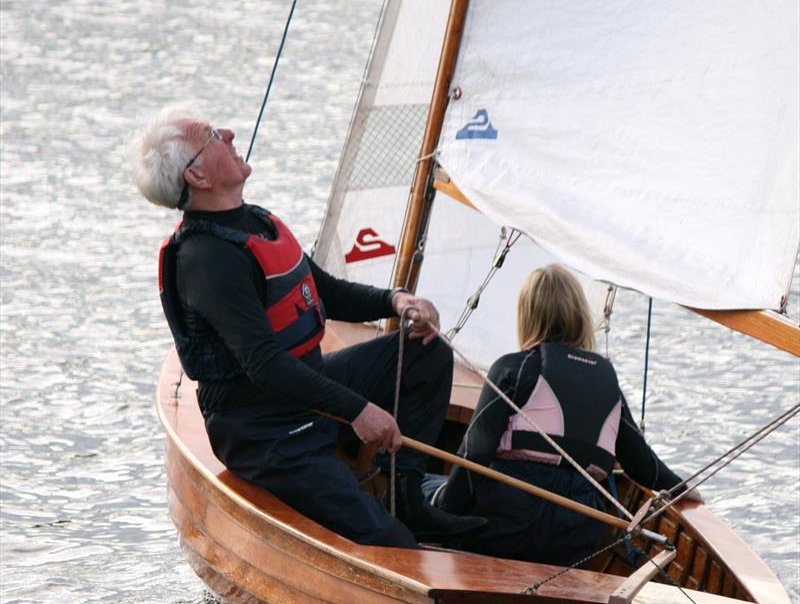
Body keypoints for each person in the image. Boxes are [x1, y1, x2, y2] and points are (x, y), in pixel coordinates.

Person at [132, 105, 485, 548]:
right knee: (390, 544)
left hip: (306, 388)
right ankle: (391, 523)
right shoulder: (207, 260)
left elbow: (323, 290)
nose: (229, 131)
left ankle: (407, 497)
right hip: (264, 431)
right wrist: (357, 409)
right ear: (197, 177)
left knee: (424, 350)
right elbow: (264, 364)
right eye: (212, 135)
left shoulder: (255, 220)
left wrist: (394, 299)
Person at [429, 264, 701, 566]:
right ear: (579, 315)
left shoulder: (512, 369)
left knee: (420, 487)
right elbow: (642, 465)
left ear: (527, 316)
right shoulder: (607, 385)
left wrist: (444, 518)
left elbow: (474, 454)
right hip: (575, 537)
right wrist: (683, 488)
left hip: (507, 525)